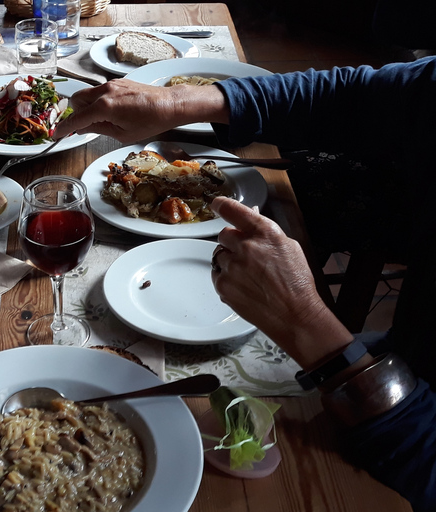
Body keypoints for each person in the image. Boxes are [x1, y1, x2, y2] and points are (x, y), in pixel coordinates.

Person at [56, 57, 436, 511]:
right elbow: (358, 95)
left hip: (394, 441)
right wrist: (176, 102)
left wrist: (308, 325)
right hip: (392, 354)